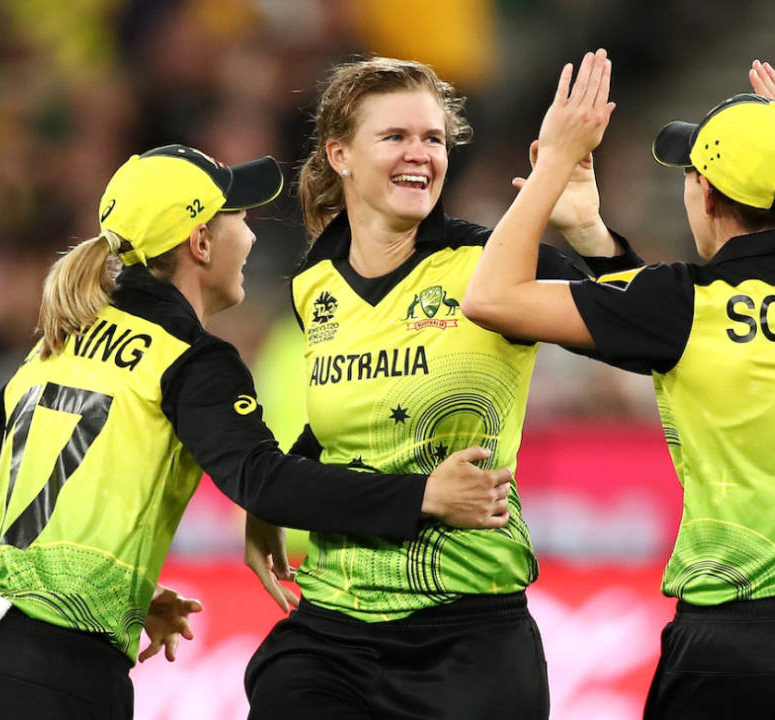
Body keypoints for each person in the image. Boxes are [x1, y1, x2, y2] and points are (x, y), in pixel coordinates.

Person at [0, 144, 517, 720]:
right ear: (201, 241)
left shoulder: (53, 344)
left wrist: (125, 593)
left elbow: (9, 509)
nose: (250, 235)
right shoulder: (188, 356)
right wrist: (422, 498)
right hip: (49, 672)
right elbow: (264, 482)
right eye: (240, 218)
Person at [463, 52, 775, 719]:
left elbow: (492, 296)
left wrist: (553, 167)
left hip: (738, 646)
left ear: (706, 195)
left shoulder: (686, 303)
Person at [241, 57, 641, 719]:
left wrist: (591, 235)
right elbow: (346, 418)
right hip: (335, 626)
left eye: (432, 139)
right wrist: (272, 502)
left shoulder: (492, 262)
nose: (419, 154)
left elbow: (640, 333)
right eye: (395, 137)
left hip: (468, 634)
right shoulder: (315, 283)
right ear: (339, 155)